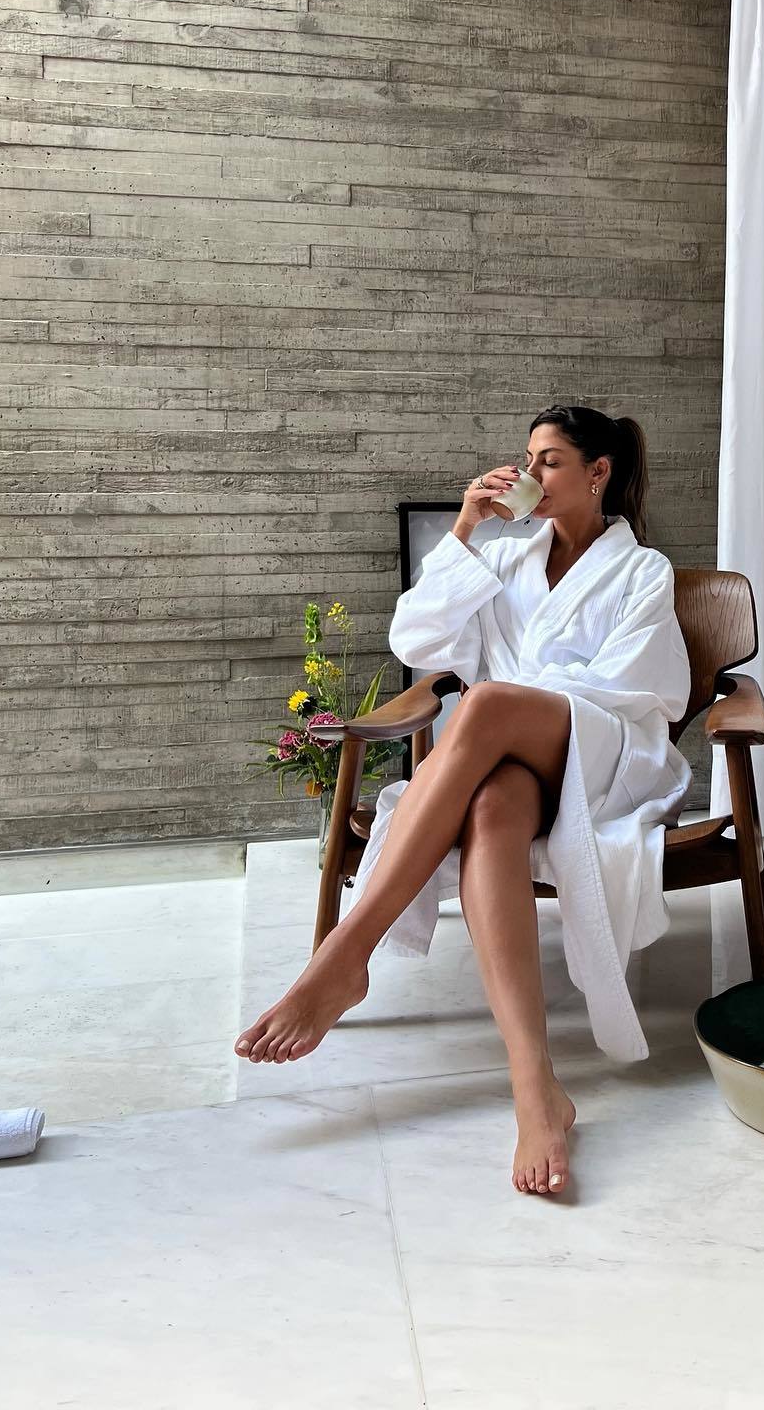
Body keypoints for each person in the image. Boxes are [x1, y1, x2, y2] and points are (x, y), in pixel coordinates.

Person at [234, 406, 692, 1198]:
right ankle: (536, 1088)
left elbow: (641, 689)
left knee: (485, 704)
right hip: (507, 763)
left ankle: (345, 955)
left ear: (599, 472)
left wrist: (520, 703)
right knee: (490, 810)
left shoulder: (642, 570)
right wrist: (464, 531)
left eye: (550, 461)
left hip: (600, 748)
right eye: (527, 458)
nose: (529, 474)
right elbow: (416, 644)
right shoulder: (504, 556)